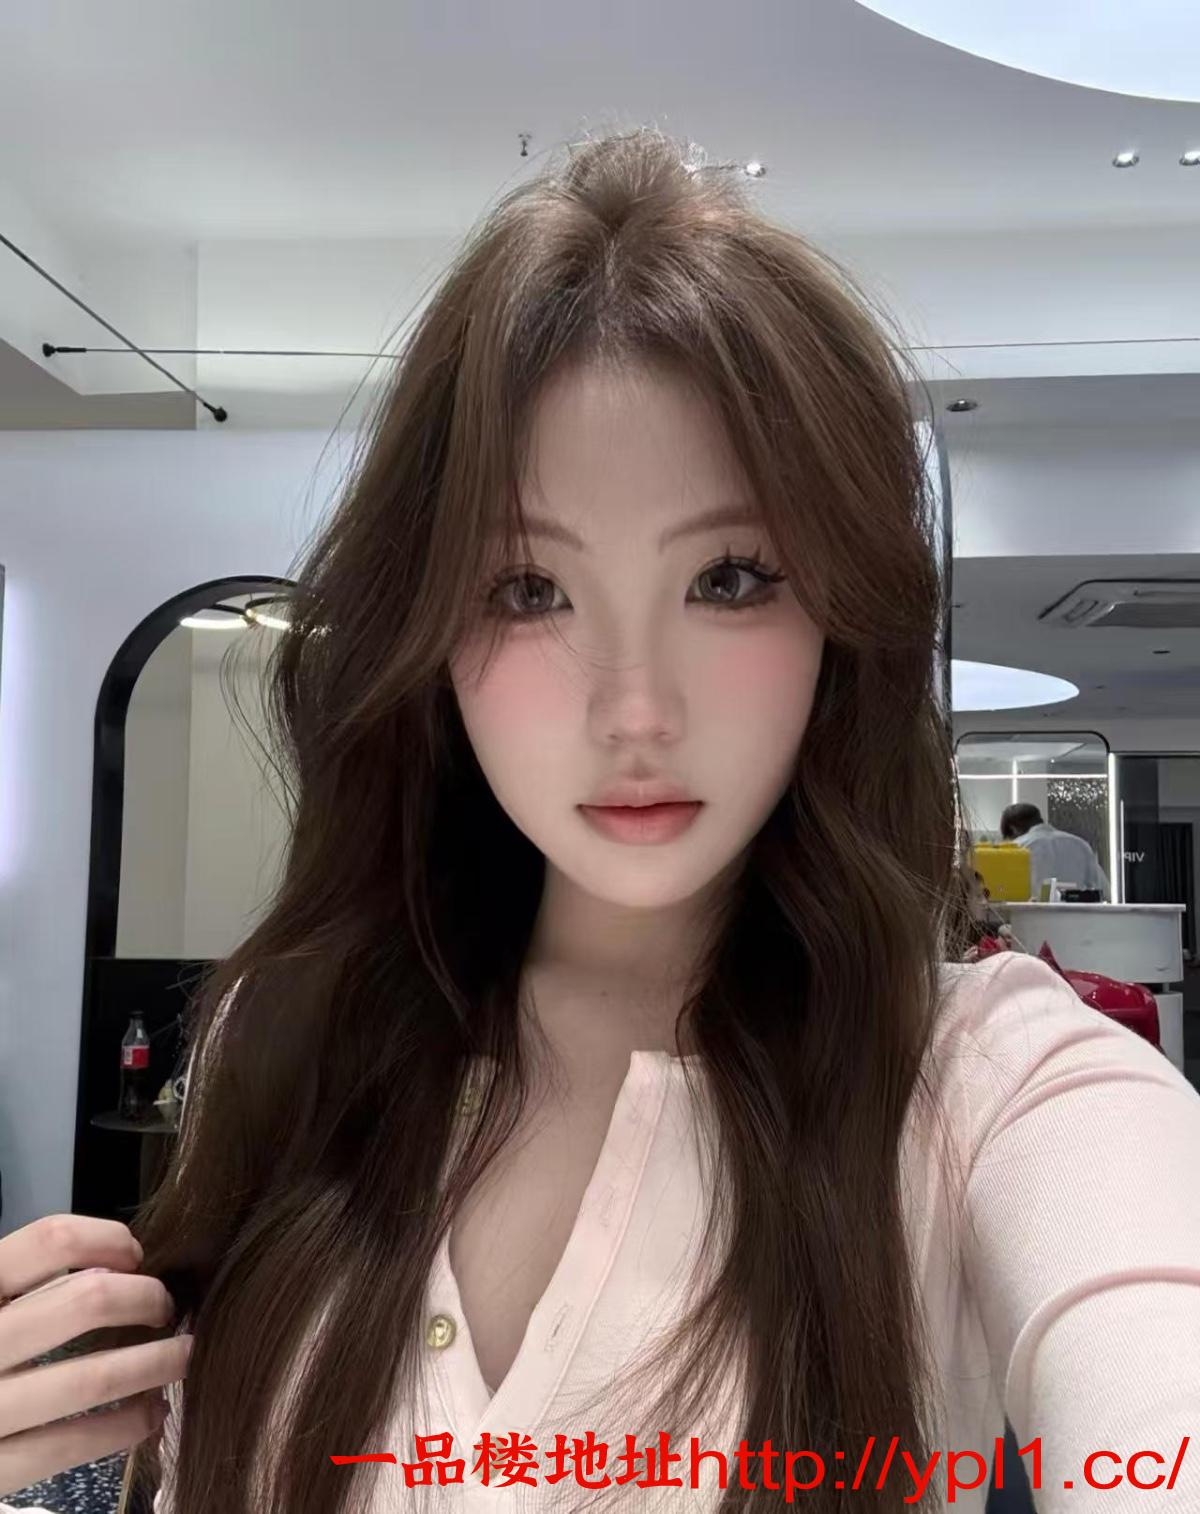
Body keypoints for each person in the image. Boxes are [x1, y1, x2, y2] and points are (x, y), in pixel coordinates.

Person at [2, 127, 1199, 1514]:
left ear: (841, 622)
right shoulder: (292, 1036)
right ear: (428, 631)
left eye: (732, 577)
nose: (635, 709)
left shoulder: (983, 1087)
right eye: (529, 589)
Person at [999, 802, 1111, 901]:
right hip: (1077, 916)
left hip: (1028, 916)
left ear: (1013, 829)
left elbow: (1000, 893)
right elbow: (1105, 892)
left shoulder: (1017, 848)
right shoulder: (1080, 845)